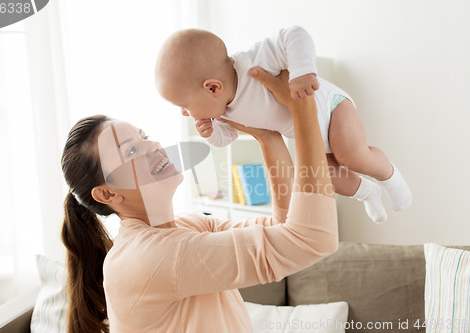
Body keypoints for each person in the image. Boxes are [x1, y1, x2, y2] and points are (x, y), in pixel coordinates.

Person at [60, 69, 338, 333]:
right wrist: (303, 111)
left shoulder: (186, 225)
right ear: (108, 194)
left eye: (144, 136)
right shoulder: (147, 257)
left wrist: (267, 136)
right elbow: (312, 238)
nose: (154, 146)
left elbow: (284, 225)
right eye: (132, 150)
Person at [154, 26, 412, 224]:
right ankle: (367, 193)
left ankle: (391, 179)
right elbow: (226, 138)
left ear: (212, 87)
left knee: (351, 155)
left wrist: (302, 74)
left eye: (184, 105)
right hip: (310, 135)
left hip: (333, 108)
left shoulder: (252, 64)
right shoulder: (226, 113)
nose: (184, 114)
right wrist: (211, 134)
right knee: (330, 176)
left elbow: (295, 35)